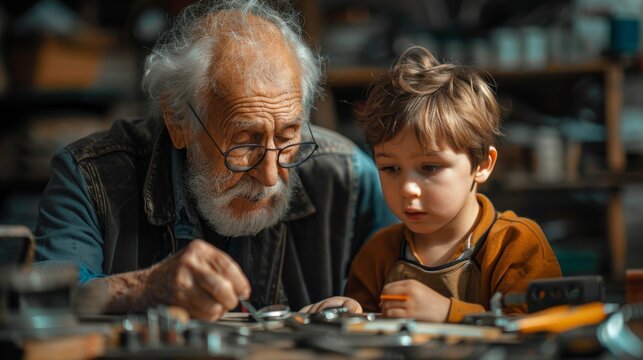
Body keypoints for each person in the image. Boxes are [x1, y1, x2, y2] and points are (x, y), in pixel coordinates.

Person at [34, 0, 396, 321]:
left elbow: (424, 282)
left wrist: (363, 310)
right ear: (178, 121)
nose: (271, 176)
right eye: (244, 142)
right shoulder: (91, 175)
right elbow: (43, 298)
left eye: (287, 137)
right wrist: (143, 287)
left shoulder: (348, 178)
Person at [303, 46, 562, 323]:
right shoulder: (378, 254)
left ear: (483, 164)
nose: (407, 189)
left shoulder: (516, 245)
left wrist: (450, 313)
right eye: (390, 168)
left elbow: (545, 329)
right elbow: (367, 329)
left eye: (430, 167)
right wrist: (350, 313)